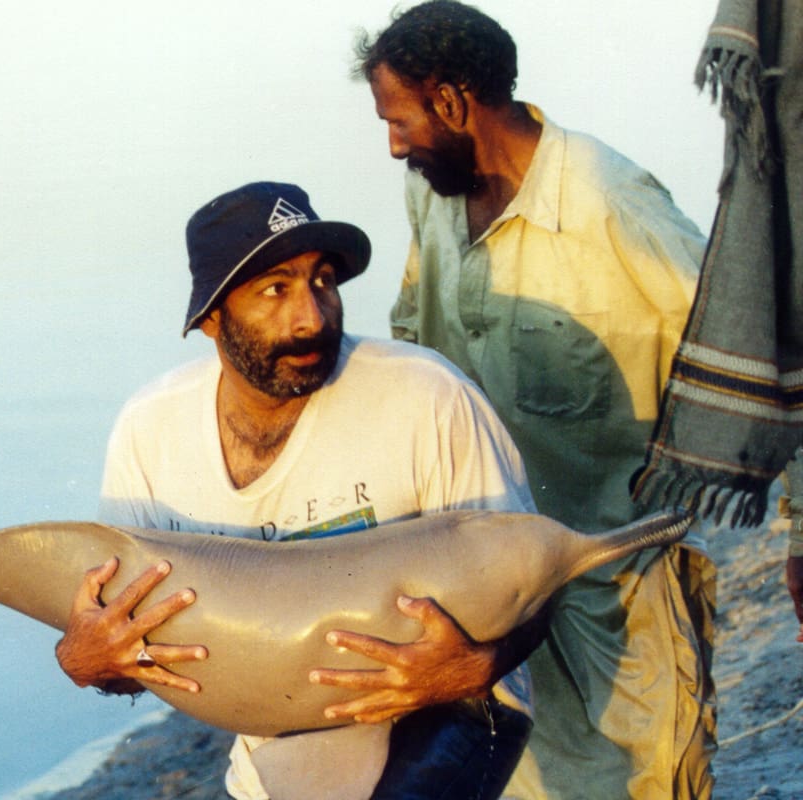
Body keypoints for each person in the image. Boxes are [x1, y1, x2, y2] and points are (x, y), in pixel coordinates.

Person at [54, 180, 546, 799]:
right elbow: (132, 641)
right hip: (278, 717)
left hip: (451, 697)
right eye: (275, 290)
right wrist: (88, 662)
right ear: (211, 317)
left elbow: (537, 577)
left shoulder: (426, 397)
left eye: (323, 282)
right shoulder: (150, 431)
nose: (312, 318)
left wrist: (478, 667)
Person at [354, 2, 715, 797]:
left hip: (614, 592)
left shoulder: (613, 203)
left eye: (399, 120)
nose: (393, 145)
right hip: (482, 595)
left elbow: (754, 350)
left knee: (644, 783)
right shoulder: (436, 196)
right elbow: (415, 344)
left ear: (452, 104)